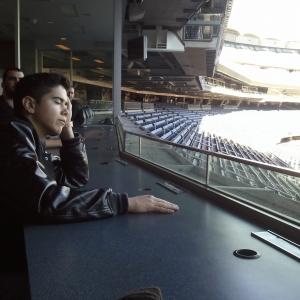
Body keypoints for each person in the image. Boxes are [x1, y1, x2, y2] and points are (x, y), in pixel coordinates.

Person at [0, 72, 179, 224]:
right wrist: (123, 203)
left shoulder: (30, 140)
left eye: (67, 104)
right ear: (30, 104)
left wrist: (67, 132)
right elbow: (48, 200)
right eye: (57, 102)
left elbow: (74, 179)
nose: (65, 111)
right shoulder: (11, 139)